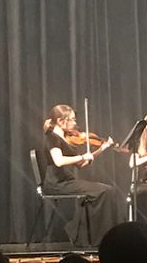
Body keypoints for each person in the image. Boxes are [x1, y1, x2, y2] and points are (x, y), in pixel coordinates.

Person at [43, 104, 118, 246]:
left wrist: (102, 148)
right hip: (57, 184)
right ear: (60, 121)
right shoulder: (52, 138)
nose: (75, 123)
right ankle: (93, 237)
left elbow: (81, 164)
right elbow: (58, 161)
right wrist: (82, 156)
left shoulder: (64, 139)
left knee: (107, 190)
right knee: (104, 191)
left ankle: (84, 234)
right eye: (71, 119)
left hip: (67, 181)